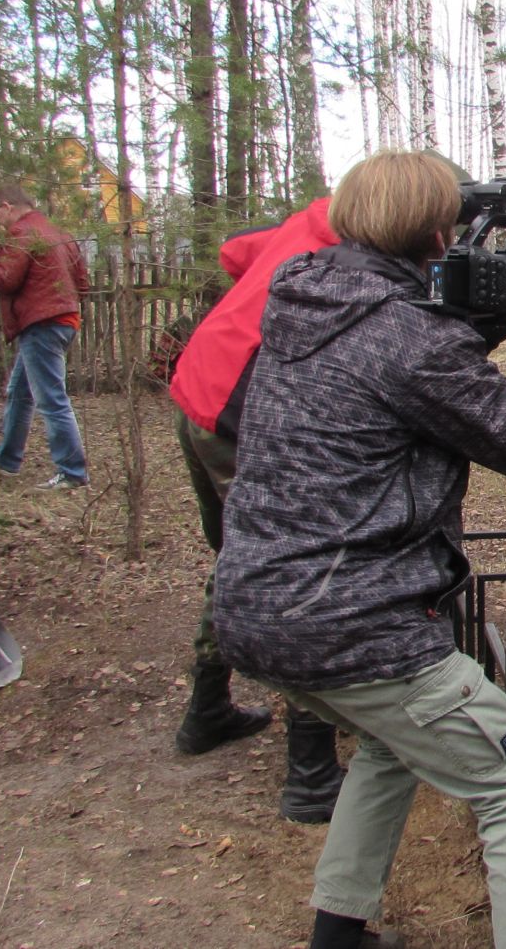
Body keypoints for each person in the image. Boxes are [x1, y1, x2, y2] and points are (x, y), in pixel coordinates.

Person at [213, 151, 506, 949]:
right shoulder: (407, 338)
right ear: (435, 230)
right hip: (356, 624)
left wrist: (504, 302)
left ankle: (338, 935)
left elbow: (406, 356)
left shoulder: (302, 298)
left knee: (394, 744)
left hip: (257, 609)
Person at [165, 200, 341, 822]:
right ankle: (311, 772)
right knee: (300, 561)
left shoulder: (317, 219)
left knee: (239, 555)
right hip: (239, 415)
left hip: (198, 391)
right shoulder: (356, 251)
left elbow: (235, 249)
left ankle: (207, 710)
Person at [0, 185, 91, 489]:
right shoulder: (59, 233)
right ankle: (7, 459)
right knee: (20, 391)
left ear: (6, 205)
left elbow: (6, 279)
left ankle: (72, 471)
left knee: (51, 399)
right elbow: (82, 282)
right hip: (63, 320)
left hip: (42, 323)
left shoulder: (22, 232)